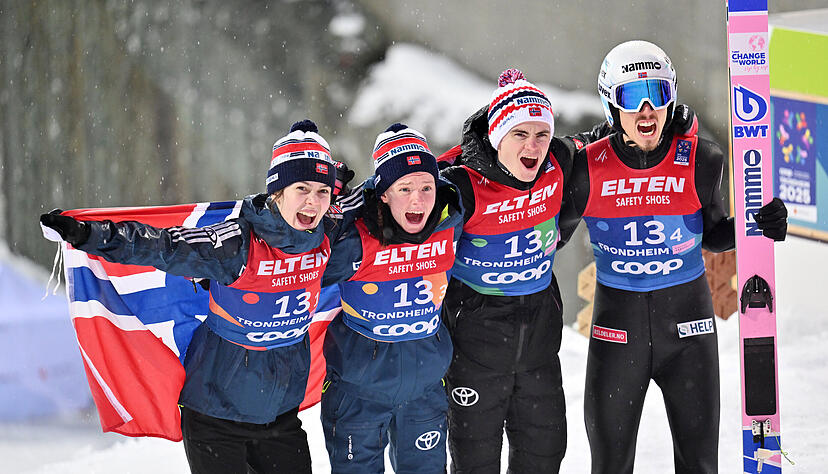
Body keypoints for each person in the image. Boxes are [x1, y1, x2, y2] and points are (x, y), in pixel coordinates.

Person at [40, 120, 338, 474]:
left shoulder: (330, 234)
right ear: (277, 192)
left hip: (280, 418)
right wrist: (88, 234)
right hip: (214, 418)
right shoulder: (236, 244)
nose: (312, 201)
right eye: (302, 188)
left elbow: (379, 204)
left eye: (323, 191)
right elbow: (163, 246)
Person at [561, 40, 788, 474]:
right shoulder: (586, 169)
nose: (646, 110)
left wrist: (757, 225)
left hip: (689, 330)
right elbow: (547, 237)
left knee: (699, 464)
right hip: (616, 333)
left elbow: (713, 234)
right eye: (632, 96)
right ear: (611, 104)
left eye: (658, 93)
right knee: (609, 465)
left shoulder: (703, 159)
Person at [438, 69, 611, 473]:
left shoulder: (558, 160)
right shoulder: (460, 183)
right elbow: (404, 198)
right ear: (498, 136)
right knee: (475, 461)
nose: (533, 145)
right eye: (520, 134)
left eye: (541, 134)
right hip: (475, 347)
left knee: (545, 453)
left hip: (538, 344)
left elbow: (608, 137)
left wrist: (676, 125)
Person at [319, 123, 464, 473]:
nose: (418, 199)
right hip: (358, 394)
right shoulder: (353, 237)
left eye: (426, 187)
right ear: (383, 193)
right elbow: (296, 257)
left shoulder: (451, 220)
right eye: (404, 188)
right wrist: (327, 206)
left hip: (424, 389)